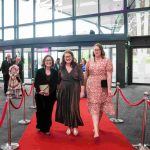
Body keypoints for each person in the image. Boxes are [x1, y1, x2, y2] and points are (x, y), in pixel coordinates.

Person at [85, 43, 115, 138]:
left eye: (97, 49)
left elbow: (109, 75)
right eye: (94, 50)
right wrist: (82, 86)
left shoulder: (107, 61)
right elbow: (86, 75)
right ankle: (96, 131)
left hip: (102, 87)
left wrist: (109, 88)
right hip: (91, 86)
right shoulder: (89, 61)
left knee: (101, 107)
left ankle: (96, 126)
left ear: (101, 50)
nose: (96, 51)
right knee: (94, 106)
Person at [55, 49, 84, 136]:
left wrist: (82, 91)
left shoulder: (77, 67)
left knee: (73, 108)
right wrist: (58, 91)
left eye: (69, 56)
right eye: (66, 57)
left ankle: (75, 126)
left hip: (74, 90)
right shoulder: (61, 67)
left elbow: (82, 80)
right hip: (63, 90)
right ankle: (69, 126)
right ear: (64, 58)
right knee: (66, 108)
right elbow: (58, 80)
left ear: (72, 57)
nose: (67, 58)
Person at [34, 55, 58, 135]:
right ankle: (40, 126)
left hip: (51, 96)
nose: (48, 62)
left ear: (52, 62)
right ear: (44, 62)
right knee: (40, 111)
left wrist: (49, 92)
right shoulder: (39, 71)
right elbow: (36, 83)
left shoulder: (55, 72)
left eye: (50, 60)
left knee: (48, 112)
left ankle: (47, 128)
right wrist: (39, 90)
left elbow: (55, 84)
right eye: (47, 60)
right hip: (40, 95)